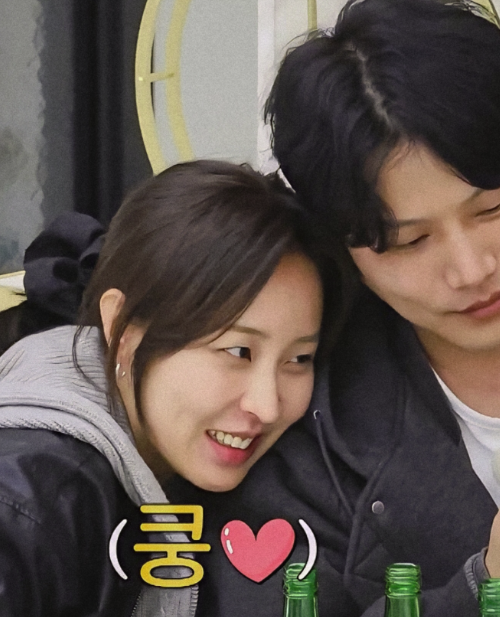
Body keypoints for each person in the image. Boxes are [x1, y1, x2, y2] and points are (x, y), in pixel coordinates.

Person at [175, 1, 500, 616]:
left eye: (493, 208)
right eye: (410, 242)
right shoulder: (293, 400)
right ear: (342, 245)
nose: (472, 270)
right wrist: (489, 593)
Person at [0, 159, 352, 617]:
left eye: (298, 359)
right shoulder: (36, 498)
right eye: (238, 352)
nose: (267, 406)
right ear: (122, 328)